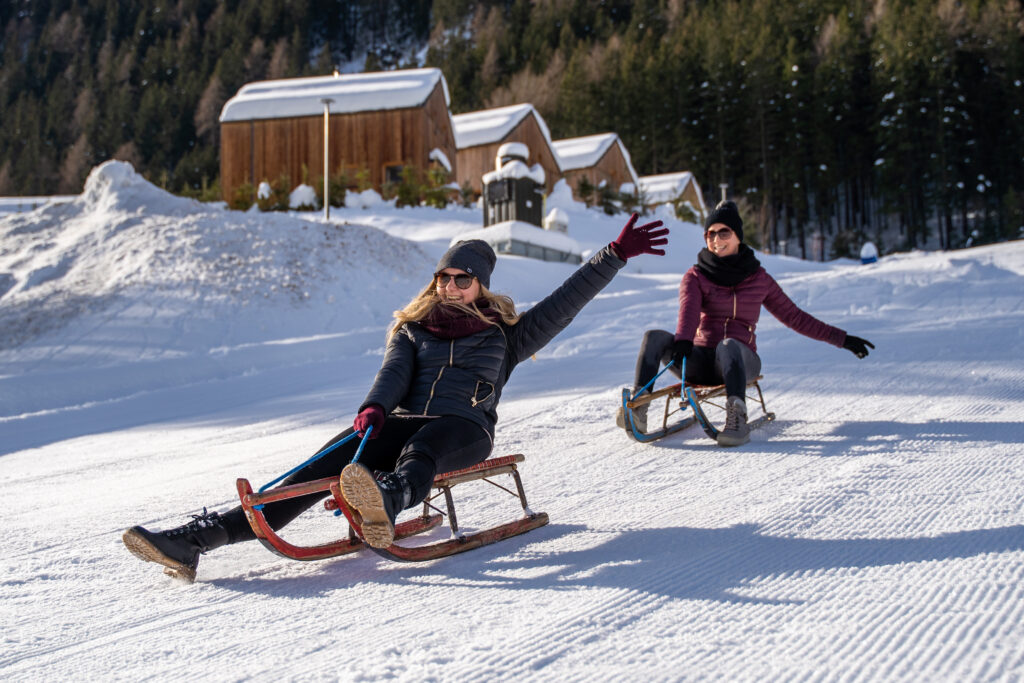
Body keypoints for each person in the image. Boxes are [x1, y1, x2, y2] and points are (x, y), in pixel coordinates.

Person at [123, 214, 669, 581]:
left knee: (423, 448)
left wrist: (614, 254)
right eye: (443, 278)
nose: (450, 287)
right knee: (319, 467)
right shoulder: (413, 329)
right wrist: (374, 409)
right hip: (401, 419)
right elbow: (393, 374)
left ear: (480, 285)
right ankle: (201, 539)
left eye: (462, 280)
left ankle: (387, 499)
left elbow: (564, 303)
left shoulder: (506, 336)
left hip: (463, 427)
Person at [620, 200, 873, 447]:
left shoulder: (759, 279)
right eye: (710, 234)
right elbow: (689, 310)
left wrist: (843, 339)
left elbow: (795, 317)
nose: (716, 239)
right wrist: (684, 340)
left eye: (724, 232)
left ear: (738, 236)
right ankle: (639, 408)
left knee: (728, 344)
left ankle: (737, 419)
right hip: (699, 362)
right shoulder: (696, 276)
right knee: (654, 336)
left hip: (740, 361)